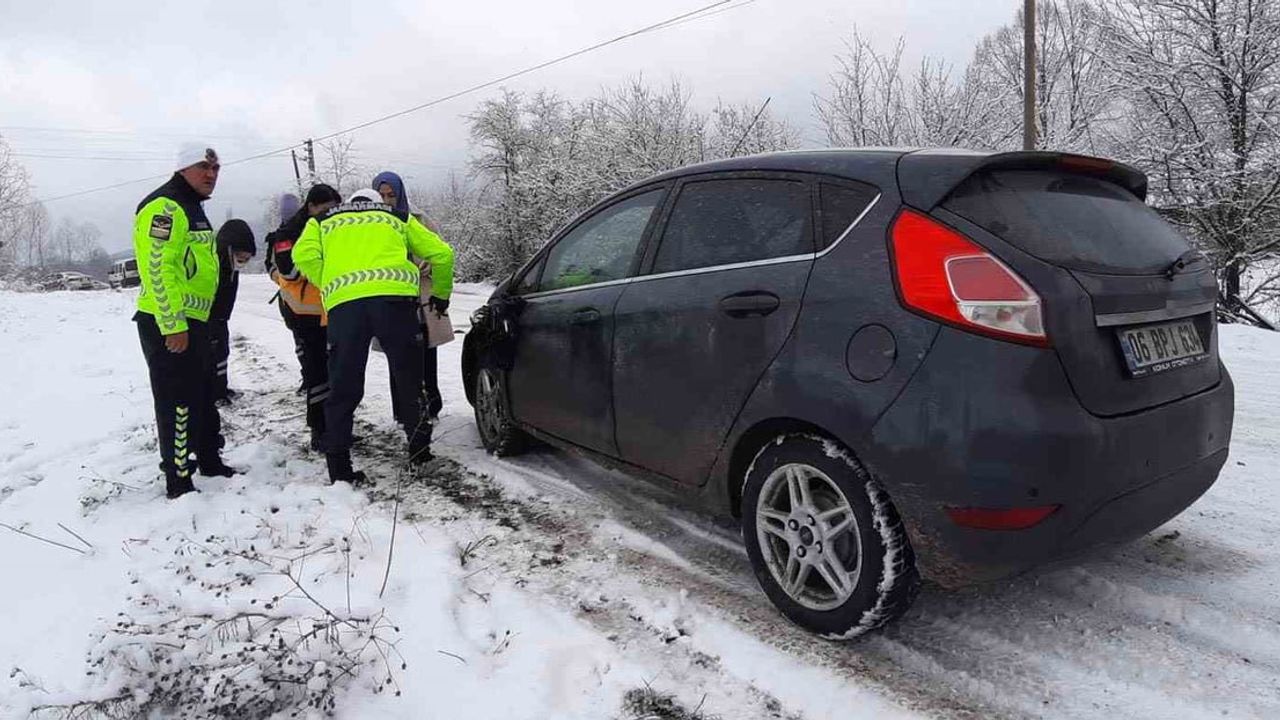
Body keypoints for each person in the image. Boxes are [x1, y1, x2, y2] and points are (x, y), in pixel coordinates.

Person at [292, 188, 455, 484]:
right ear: (377, 204)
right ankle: (420, 453)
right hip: (395, 306)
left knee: (343, 387)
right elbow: (442, 254)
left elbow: (301, 254)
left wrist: (330, 280)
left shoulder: (322, 221)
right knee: (408, 379)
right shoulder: (397, 217)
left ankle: (339, 469)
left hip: (345, 308)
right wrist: (441, 297)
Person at [132, 143, 237, 500]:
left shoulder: (193, 207)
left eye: (216, 168)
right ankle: (178, 478)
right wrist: (172, 323)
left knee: (204, 393)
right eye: (203, 167)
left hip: (197, 319)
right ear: (182, 169)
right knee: (176, 400)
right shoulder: (164, 207)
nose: (211, 174)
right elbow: (157, 268)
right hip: (169, 322)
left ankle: (208, 459)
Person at [264, 185, 342, 451]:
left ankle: (339, 427)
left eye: (334, 209)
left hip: (335, 309)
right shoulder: (288, 234)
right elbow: (289, 271)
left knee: (339, 373)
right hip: (306, 314)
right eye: (325, 209)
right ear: (311, 206)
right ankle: (319, 431)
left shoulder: (333, 226)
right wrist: (318, 251)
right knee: (317, 373)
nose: (330, 214)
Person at [372, 171, 446, 422]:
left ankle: (431, 406)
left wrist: (428, 262)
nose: (386, 200)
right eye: (381, 195)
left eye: (391, 195)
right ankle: (403, 411)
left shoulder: (419, 219)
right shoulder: (370, 224)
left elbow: (441, 251)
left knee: (426, 353)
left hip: (421, 299)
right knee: (398, 358)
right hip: (390, 301)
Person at [208, 219, 256, 404]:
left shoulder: (230, 265)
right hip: (208, 316)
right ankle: (214, 393)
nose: (243, 262)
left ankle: (221, 388)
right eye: (242, 257)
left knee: (222, 352)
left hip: (220, 317)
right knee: (213, 354)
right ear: (230, 248)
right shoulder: (215, 264)